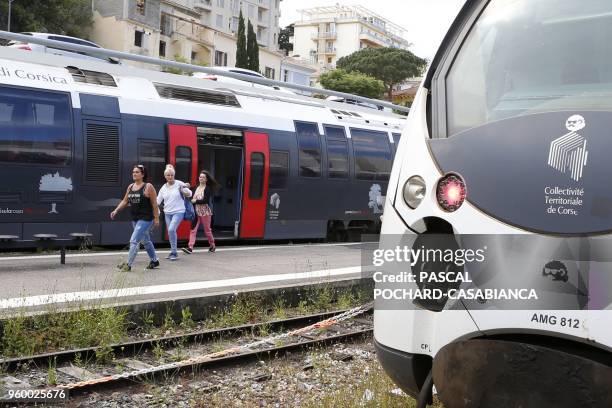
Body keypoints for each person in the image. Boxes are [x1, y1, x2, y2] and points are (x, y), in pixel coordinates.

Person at [110, 165, 160, 272]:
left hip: (146, 218)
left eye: (137, 172)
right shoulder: (131, 187)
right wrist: (116, 210)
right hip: (135, 219)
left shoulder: (148, 187)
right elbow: (125, 201)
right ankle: (154, 260)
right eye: (133, 172)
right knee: (146, 240)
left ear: (142, 174)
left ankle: (128, 265)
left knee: (134, 241)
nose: (134, 174)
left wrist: (156, 218)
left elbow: (155, 204)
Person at [157, 164, 192, 260]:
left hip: (179, 211)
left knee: (171, 229)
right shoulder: (163, 188)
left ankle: (174, 253)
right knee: (171, 232)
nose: (170, 177)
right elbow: (158, 201)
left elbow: (190, 193)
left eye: (172, 175)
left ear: (174, 175)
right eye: (168, 175)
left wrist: (184, 190)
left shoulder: (179, 183)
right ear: (165, 176)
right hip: (167, 213)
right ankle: (173, 252)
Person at [183, 170, 219, 254]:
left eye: (203, 177)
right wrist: (185, 186)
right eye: (200, 177)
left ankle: (212, 245)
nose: (201, 178)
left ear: (206, 179)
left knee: (207, 230)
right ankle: (190, 247)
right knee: (193, 229)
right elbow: (188, 192)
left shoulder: (208, 189)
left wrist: (195, 201)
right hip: (195, 211)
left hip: (205, 212)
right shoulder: (195, 187)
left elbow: (205, 200)